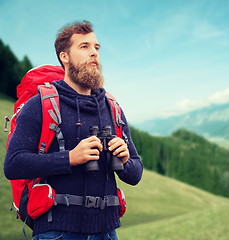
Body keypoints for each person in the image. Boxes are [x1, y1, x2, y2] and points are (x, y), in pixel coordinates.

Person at [4, 20, 143, 240]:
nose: (94, 53)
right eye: (84, 46)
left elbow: (136, 174)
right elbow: (13, 165)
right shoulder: (41, 104)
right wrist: (70, 158)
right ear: (64, 57)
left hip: (107, 232)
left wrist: (125, 161)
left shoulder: (112, 108)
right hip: (57, 232)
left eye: (97, 47)